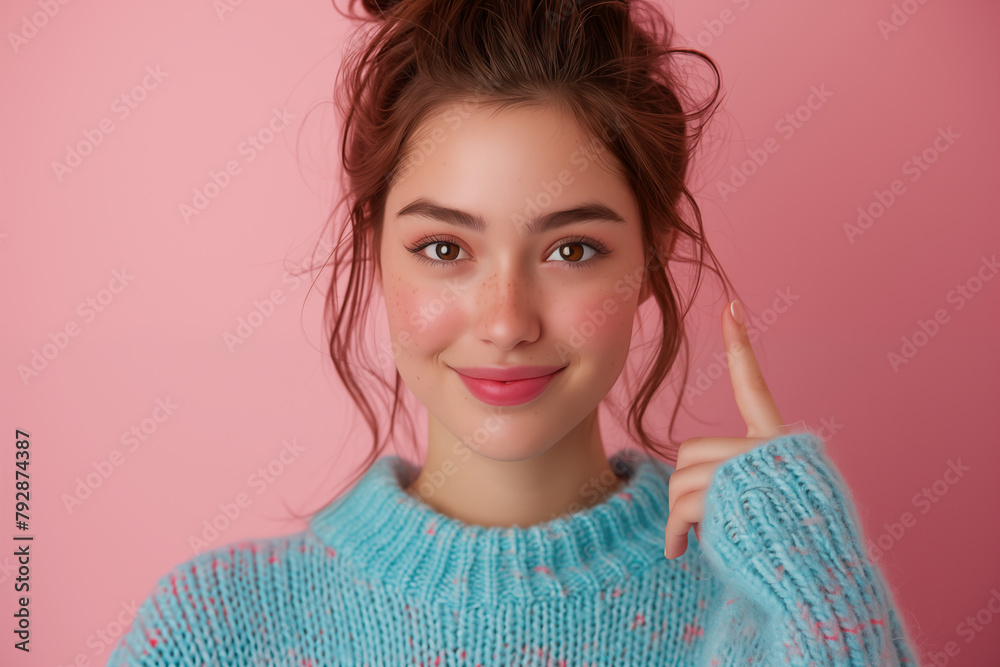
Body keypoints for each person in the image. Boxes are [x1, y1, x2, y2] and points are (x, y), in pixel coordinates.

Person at [108, 0, 920, 664]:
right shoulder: (218, 629)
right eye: (444, 249)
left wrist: (817, 582)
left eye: (571, 249)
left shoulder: (769, 609)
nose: (505, 321)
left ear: (652, 255)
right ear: (374, 250)